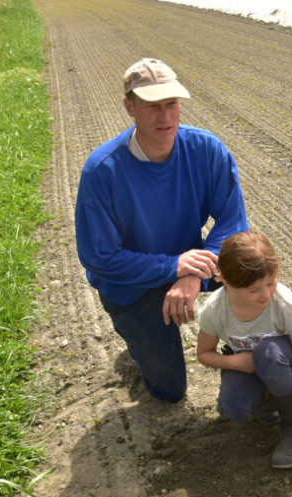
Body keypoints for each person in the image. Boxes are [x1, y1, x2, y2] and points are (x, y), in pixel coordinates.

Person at [75, 57, 248, 402]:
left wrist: (193, 274)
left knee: (250, 266)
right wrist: (172, 267)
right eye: (153, 106)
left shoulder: (206, 150)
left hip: (189, 263)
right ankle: (139, 340)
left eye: (171, 104)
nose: (165, 116)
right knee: (170, 391)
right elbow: (100, 258)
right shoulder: (102, 171)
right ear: (130, 107)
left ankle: (250, 357)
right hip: (132, 284)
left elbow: (233, 222)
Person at [196, 231, 292, 469]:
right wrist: (235, 362)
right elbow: (204, 354)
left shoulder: (283, 304)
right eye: (254, 290)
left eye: (270, 283)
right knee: (234, 407)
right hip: (247, 361)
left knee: (268, 355)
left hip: (284, 356)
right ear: (225, 281)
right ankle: (270, 399)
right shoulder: (215, 310)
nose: (265, 295)